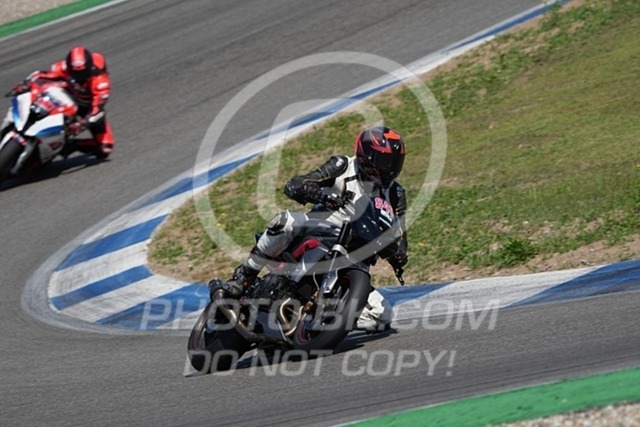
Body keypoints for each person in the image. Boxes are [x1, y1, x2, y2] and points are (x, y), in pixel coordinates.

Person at [211, 126, 409, 331]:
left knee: (382, 315)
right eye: (385, 162)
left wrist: (398, 253)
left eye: (395, 163)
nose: (390, 169)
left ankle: (322, 323)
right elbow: (298, 183)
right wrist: (317, 193)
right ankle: (244, 276)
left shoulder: (395, 193)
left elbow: (401, 234)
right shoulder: (343, 166)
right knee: (286, 221)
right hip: (320, 228)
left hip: (356, 253)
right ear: (366, 156)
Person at [3, 45, 114, 159]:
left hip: (86, 109)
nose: (79, 76)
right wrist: (24, 84)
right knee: (32, 95)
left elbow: (97, 109)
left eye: (82, 72)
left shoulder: (101, 82)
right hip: (64, 96)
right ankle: (8, 125)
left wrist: (83, 123)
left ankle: (66, 145)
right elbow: (41, 74)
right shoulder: (63, 67)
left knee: (105, 148)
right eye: (75, 72)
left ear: (89, 67)